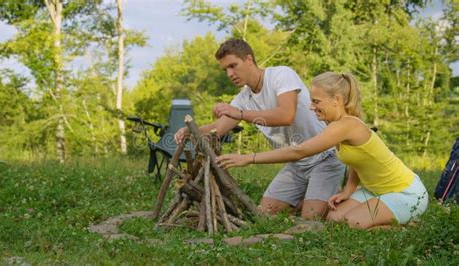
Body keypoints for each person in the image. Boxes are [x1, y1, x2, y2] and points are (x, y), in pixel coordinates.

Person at [216, 71, 429, 229]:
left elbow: (299, 152)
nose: (311, 107)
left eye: (316, 101)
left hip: (404, 191)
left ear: (336, 100)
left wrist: (249, 158)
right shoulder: (337, 124)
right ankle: (381, 216)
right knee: (334, 220)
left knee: (350, 225)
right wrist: (348, 190)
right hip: (373, 190)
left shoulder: (346, 125)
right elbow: (357, 161)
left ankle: (405, 226)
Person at [175, 39, 345, 219]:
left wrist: (240, 114)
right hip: (296, 164)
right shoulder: (243, 98)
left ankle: (336, 194)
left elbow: (286, 115)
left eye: (233, 65)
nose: (230, 74)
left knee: (310, 218)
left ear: (249, 60)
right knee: (264, 213)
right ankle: (314, 193)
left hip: (324, 157)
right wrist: (190, 130)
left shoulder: (281, 75)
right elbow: (219, 128)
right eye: (225, 69)